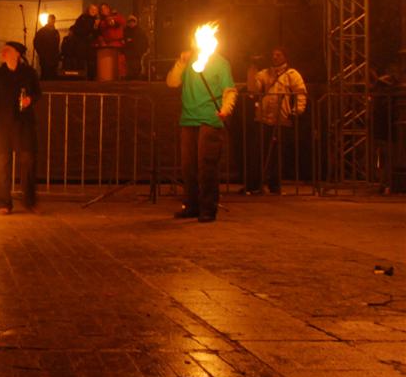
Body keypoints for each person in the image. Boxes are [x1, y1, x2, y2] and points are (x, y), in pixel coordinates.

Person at [166, 40, 236, 222]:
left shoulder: (221, 63)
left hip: (210, 118)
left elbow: (229, 90)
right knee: (188, 166)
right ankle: (192, 206)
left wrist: (226, 109)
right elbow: (172, 82)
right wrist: (181, 62)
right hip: (188, 119)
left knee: (207, 166)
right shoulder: (189, 61)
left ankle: (208, 209)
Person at [0, 41, 42, 214]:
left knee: (28, 162)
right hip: (3, 125)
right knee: (3, 164)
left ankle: (29, 201)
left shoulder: (29, 73)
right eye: (3, 50)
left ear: (17, 54)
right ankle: (3, 203)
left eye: (8, 50)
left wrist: (30, 99)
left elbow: (38, 92)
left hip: (24, 124)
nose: (3, 52)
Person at [243, 47, 307, 195]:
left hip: (282, 118)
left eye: (279, 54)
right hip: (264, 118)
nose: (275, 57)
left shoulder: (292, 74)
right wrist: (251, 69)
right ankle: (255, 184)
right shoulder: (264, 74)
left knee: (277, 155)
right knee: (259, 153)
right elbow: (253, 89)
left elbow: (301, 93)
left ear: (285, 57)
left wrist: (297, 110)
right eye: (273, 54)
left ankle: (274, 185)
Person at [67, 4, 99, 79]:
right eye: (92, 9)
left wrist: (95, 27)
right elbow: (77, 29)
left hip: (91, 43)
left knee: (91, 61)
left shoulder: (97, 20)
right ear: (88, 10)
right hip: (81, 42)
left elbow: (96, 33)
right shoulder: (82, 18)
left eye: (95, 10)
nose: (93, 11)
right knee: (81, 60)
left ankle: (91, 77)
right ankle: (80, 76)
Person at [32, 14, 61, 80]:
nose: (52, 22)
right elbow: (36, 43)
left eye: (53, 20)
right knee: (45, 75)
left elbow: (57, 45)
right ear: (48, 20)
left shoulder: (56, 32)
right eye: (51, 20)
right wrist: (42, 54)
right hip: (45, 59)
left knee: (53, 76)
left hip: (54, 59)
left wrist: (57, 55)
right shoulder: (42, 31)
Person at [123, 15, 149, 80]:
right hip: (129, 51)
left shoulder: (140, 31)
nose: (131, 23)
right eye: (130, 22)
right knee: (130, 64)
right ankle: (132, 76)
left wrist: (144, 49)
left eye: (133, 21)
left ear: (136, 22)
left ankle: (136, 76)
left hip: (137, 51)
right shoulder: (126, 31)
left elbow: (144, 41)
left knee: (136, 64)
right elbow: (124, 40)